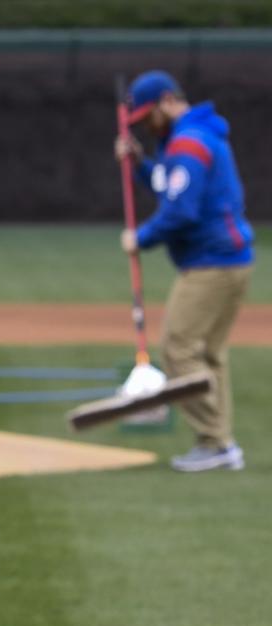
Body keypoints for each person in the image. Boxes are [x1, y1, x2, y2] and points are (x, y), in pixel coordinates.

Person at [116, 70, 252, 472]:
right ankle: (217, 443)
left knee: (178, 350)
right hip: (229, 260)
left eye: (148, 117)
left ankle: (218, 443)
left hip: (212, 263)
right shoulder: (190, 139)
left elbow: (180, 210)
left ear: (168, 101)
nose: (146, 125)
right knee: (208, 355)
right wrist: (141, 164)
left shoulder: (189, 143)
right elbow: (169, 185)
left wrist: (140, 237)